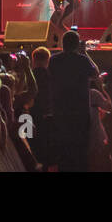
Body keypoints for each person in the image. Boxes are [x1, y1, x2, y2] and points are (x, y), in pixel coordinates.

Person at [45, 30, 98, 171]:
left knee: (63, 149)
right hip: (80, 111)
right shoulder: (82, 60)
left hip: (60, 110)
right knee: (80, 149)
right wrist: (85, 53)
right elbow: (95, 74)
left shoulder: (54, 60)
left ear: (63, 44)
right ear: (76, 45)